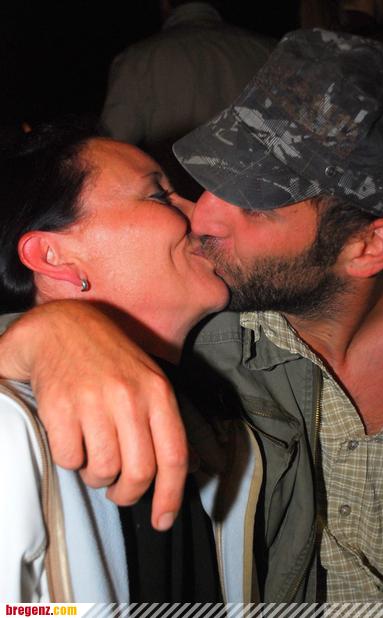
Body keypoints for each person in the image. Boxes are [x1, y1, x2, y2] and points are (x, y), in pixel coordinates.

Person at [1, 28, 383, 601]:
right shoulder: (217, 331)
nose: (202, 215)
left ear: (368, 247)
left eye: (259, 205)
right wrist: (51, 331)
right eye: (210, 180)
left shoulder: (224, 349)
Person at [0, 119, 231, 601]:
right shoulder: (11, 432)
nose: (201, 213)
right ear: (54, 256)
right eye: (159, 196)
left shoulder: (226, 419)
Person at [100, 0, 275, 198]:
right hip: (262, 194)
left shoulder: (139, 58)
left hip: (182, 196)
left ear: (165, 4)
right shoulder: (268, 50)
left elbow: (110, 147)